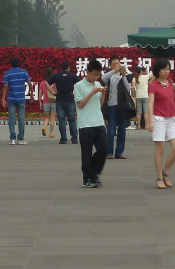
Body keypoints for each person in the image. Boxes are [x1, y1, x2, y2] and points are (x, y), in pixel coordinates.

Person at [73, 56, 108, 188]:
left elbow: (100, 104)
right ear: (87, 72)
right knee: (86, 153)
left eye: (98, 75)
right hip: (85, 124)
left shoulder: (98, 84)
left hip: (98, 122)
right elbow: (81, 104)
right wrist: (92, 92)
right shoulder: (78, 86)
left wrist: (103, 93)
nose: (96, 77)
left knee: (104, 148)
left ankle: (93, 174)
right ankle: (87, 178)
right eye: (94, 74)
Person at [147, 58, 175, 188]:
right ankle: (159, 177)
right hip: (159, 119)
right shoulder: (153, 85)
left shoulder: (170, 82)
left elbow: (171, 98)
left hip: (171, 119)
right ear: (158, 70)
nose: (167, 72)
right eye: (164, 69)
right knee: (160, 149)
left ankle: (165, 172)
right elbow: (150, 103)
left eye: (168, 69)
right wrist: (150, 122)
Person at [100, 56, 130, 160]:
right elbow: (103, 78)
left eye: (119, 63)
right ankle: (109, 152)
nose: (118, 65)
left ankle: (119, 152)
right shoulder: (109, 76)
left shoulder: (122, 76)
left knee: (122, 130)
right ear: (111, 65)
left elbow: (128, 87)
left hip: (122, 106)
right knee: (111, 130)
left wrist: (124, 75)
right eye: (115, 64)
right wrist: (114, 71)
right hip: (111, 105)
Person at [0, 56, 31, 146]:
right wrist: (32, 93)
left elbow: (5, 86)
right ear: (19, 64)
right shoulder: (23, 72)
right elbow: (29, 83)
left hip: (11, 98)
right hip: (21, 98)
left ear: (11, 64)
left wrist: (3, 98)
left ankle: (12, 139)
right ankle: (20, 139)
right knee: (21, 118)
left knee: (11, 118)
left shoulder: (7, 73)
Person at [47, 65, 81, 145]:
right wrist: (76, 93)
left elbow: (46, 82)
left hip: (59, 99)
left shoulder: (57, 76)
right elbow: (80, 83)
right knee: (72, 120)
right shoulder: (72, 76)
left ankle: (63, 139)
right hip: (69, 99)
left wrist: (52, 92)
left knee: (61, 120)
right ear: (68, 67)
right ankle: (74, 139)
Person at [39, 67, 57, 138]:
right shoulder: (54, 83)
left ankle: (44, 126)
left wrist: (40, 102)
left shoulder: (42, 83)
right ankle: (51, 133)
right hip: (53, 102)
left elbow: (40, 94)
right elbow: (56, 91)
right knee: (53, 118)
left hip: (46, 102)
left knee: (47, 117)